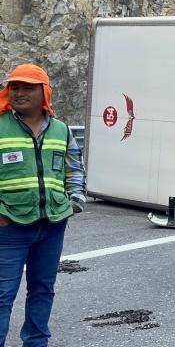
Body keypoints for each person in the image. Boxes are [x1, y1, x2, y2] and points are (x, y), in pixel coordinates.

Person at [0, 64, 86, 347]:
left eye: (27, 87)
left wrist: (74, 201)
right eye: (15, 87)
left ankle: (36, 343)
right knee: (3, 295)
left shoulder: (61, 130)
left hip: (52, 225)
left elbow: (74, 168)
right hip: (9, 227)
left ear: (44, 92)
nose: (19, 93)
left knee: (42, 290)